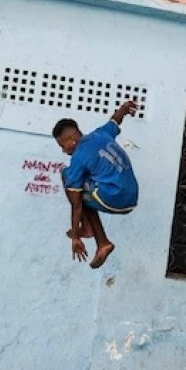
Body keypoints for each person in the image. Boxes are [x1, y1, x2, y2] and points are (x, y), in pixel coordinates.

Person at [53, 100, 139, 269]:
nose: (64, 151)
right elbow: (115, 120)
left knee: (69, 178)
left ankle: (100, 240)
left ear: (71, 140)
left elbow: (76, 205)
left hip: (116, 196)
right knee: (83, 185)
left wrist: (75, 236)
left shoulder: (79, 157)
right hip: (131, 193)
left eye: (63, 146)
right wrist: (124, 108)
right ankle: (90, 230)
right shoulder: (100, 134)